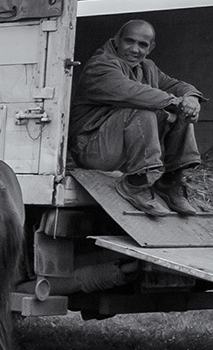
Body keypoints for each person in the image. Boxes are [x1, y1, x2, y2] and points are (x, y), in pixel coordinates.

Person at [70, 19, 204, 216]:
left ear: (151, 47)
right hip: (92, 148)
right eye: (129, 41)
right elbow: (134, 93)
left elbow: (176, 85)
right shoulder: (100, 66)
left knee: (181, 114)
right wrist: (177, 102)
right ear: (117, 40)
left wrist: (191, 99)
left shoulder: (147, 67)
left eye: (142, 44)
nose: (134, 49)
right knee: (143, 108)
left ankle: (171, 181)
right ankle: (136, 184)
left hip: (120, 149)